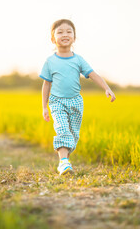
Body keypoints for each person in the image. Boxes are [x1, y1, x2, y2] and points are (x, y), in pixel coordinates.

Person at [40, 19, 116, 176]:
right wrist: (44, 107)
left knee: (73, 135)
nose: (65, 34)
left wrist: (107, 88)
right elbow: (46, 84)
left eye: (69, 31)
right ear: (53, 38)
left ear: (74, 37)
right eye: (60, 32)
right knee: (62, 129)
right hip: (57, 102)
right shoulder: (50, 61)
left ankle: (65, 162)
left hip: (75, 102)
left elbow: (93, 74)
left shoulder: (78, 59)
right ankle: (63, 162)